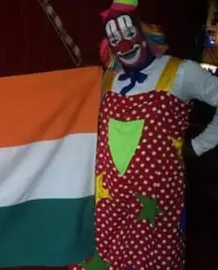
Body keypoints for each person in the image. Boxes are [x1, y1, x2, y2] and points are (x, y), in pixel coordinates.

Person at [70, 0, 218, 269]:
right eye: (114, 38)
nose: (124, 45)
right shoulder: (107, 80)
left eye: (129, 33)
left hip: (154, 205)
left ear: (143, 30)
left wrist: (198, 146)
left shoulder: (180, 71)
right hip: (107, 204)